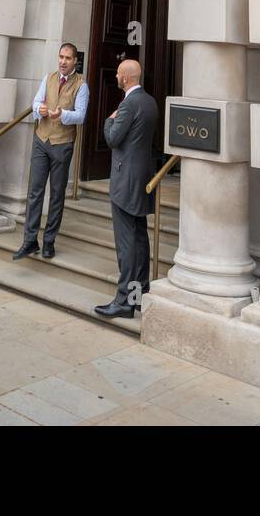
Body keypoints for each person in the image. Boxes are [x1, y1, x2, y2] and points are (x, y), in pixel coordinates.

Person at [94, 59, 158, 320]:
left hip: (125, 180)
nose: (116, 76)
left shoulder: (129, 103)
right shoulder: (150, 101)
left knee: (127, 243)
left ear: (127, 78)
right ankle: (139, 294)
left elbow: (112, 138)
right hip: (141, 178)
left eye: (119, 73)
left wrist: (109, 120)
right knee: (139, 238)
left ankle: (124, 301)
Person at [12, 42, 88, 261]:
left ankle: (49, 242)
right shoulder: (49, 77)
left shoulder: (81, 86)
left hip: (63, 144)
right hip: (41, 140)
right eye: (61, 57)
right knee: (35, 191)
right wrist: (39, 109)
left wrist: (63, 114)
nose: (63, 62)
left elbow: (81, 115)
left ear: (75, 61)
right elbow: (36, 101)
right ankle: (29, 241)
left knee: (56, 195)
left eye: (68, 58)